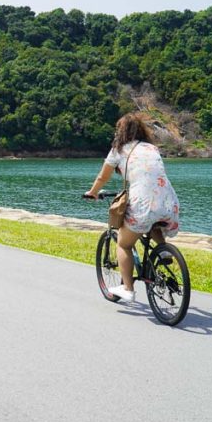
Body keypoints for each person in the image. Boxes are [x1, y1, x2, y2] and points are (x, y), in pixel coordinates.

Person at [85, 113, 180, 302]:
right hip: (169, 202)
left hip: (144, 204)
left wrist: (93, 192)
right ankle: (163, 251)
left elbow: (103, 177)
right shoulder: (152, 148)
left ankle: (127, 288)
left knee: (123, 243)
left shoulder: (118, 150)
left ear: (121, 132)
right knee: (152, 223)